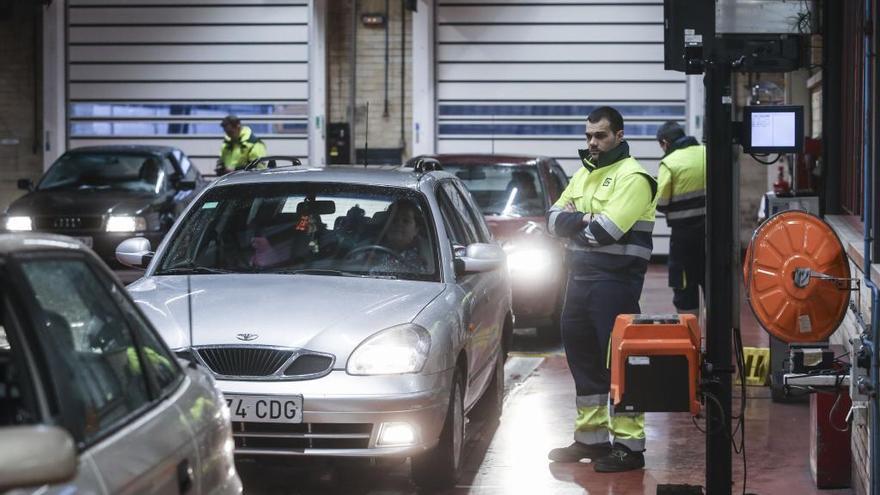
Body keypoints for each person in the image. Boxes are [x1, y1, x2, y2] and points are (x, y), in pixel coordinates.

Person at [545, 106, 657, 472]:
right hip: (579, 280)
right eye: (589, 135)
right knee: (583, 360)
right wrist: (585, 219)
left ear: (619, 135)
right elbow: (550, 220)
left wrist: (576, 222)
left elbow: (604, 232)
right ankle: (591, 439)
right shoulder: (583, 174)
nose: (593, 142)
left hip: (615, 283)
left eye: (601, 135)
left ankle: (628, 446)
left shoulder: (634, 177)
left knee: (620, 364)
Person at [655, 121, 706, 315]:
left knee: (684, 285)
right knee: (713, 283)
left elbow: (661, 202)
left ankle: (691, 333)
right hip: (713, 234)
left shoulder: (669, 163)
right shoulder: (706, 152)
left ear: (665, 143)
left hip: (684, 238)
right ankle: (716, 337)